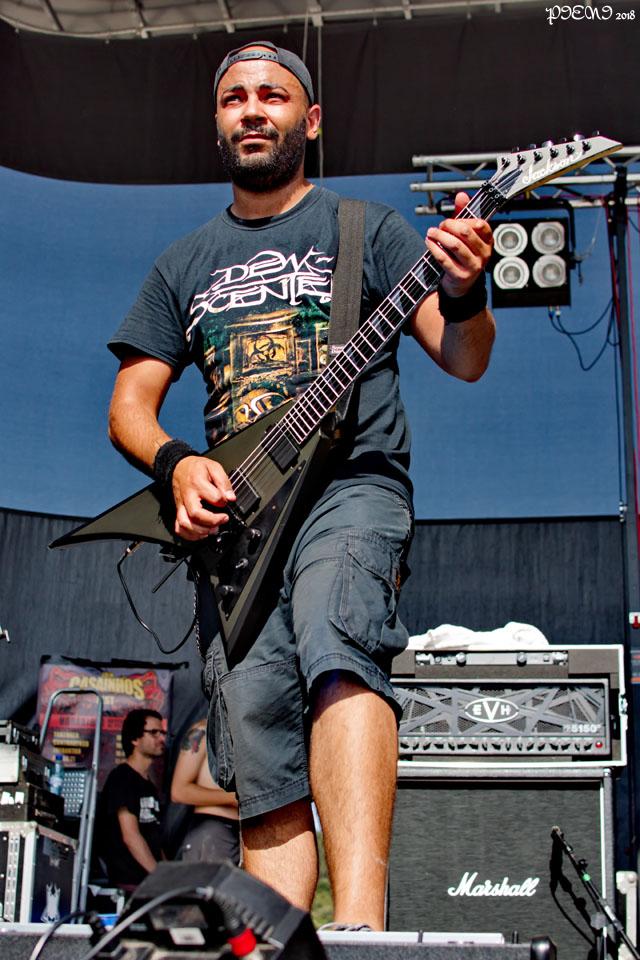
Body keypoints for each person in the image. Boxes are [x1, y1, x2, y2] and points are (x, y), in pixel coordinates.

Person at [107, 40, 495, 928]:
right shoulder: (183, 262)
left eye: (273, 96)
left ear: (309, 120)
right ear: (218, 122)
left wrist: (468, 291)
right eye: (235, 97)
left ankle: (359, 933)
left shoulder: (369, 231)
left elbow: (465, 356)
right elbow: (129, 406)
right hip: (240, 529)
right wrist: (177, 465)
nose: (253, 109)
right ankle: (285, 945)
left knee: (337, 638)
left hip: (350, 487)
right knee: (259, 740)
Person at [99, 708, 166, 889]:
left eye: (163, 733)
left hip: (148, 882)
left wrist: (168, 874)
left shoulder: (149, 785)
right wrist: (161, 878)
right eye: (154, 732)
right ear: (135, 739)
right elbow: (131, 836)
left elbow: (154, 838)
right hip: (129, 883)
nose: (162, 738)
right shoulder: (122, 778)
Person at [171, 718, 240, 864]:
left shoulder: (248, 730)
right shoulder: (203, 730)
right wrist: (233, 798)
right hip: (212, 831)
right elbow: (179, 791)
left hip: (246, 832)